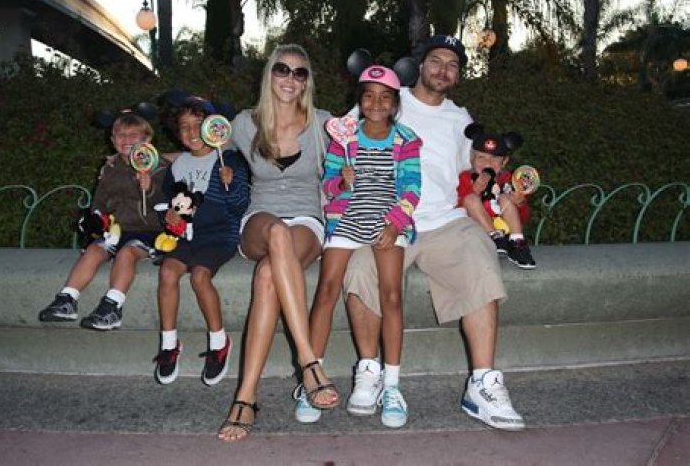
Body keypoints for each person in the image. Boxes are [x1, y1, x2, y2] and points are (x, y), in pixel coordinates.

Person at [342, 35, 526, 431]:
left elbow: (476, 171)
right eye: (436, 60)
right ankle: (370, 371)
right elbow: (344, 142)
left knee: (478, 253)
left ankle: (483, 384)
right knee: (359, 268)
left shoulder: (461, 120)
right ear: (420, 64)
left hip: (443, 220)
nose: (443, 69)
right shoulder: (387, 98)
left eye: (453, 65)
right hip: (386, 219)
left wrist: (502, 191)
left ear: (458, 76)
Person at [217, 44, 341, 442]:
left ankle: (245, 397)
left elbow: (359, 154)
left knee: (270, 272)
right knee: (275, 234)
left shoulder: (323, 124)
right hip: (261, 219)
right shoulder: (244, 123)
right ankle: (308, 360)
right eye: (282, 69)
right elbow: (204, 146)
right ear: (269, 74)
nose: (290, 78)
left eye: (300, 72)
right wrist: (140, 159)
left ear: (307, 82)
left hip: (307, 221)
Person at [297, 66, 422, 428]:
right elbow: (328, 184)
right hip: (347, 219)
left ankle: (392, 384)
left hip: (387, 221)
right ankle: (312, 379)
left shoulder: (406, 139)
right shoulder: (345, 137)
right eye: (368, 96)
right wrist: (341, 181)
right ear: (359, 100)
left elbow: (412, 187)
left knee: (391, 295)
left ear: (395, 103)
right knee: (326, 291)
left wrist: (395, 224)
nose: (376, 104)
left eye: (384, 97)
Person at [38, 110, 168, 331]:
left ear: (147, 138)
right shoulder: (110, 168)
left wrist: (150, 188)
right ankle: (67, 299)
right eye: (120, 135)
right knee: (94, 250)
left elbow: (168, 202)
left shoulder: (160, 166)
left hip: (149, 230)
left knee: (127, 253)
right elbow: (99, 201)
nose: (126, 139)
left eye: (133, 135)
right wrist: (98, 218)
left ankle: (112, 306)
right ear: (112, 140)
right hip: (117, 229)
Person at [152, 96, 249, 386]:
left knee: (199, 276)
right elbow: (170, 203)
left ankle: (219, 343)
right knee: (167, 272)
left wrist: (230, 184)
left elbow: (239, 207)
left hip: (219, 235)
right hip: (184, 236)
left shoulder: (229, 161)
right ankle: (169, 344)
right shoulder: (178, 165)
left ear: (214, 128)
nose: (192, 132)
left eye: (198, 125)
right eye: (184, 127)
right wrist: (168, 216)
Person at [457, 123, 536, 269]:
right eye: (481, 157)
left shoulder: (511, 180)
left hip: (506, 230)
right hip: (476, 232)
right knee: (470, 198)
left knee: (505, 198)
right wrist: (474, 190)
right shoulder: (465, 178)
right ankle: (494, 237)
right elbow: (457, 210)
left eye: (494, 158)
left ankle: (517, 242)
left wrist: (519, 203)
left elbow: (524, 218)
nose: (488, 163)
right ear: (471, 158)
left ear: (504, 161)